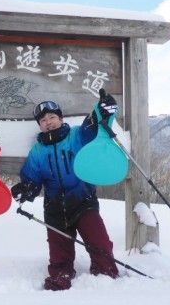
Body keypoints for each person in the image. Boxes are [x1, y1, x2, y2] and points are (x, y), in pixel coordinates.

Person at [11, 91, 120, 291]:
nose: (48, 122)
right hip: (54, 209)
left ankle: (105, 274)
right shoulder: (37, 151)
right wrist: (27, 188)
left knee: (99, 243)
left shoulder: (77, 135)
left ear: (60, 118)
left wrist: (101, 111)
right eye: (43, 120)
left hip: (83, 201)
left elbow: (92, 126)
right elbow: (32, 176)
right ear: (40, 125)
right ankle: (61, 275)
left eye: (52, 117)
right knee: (59, 256)